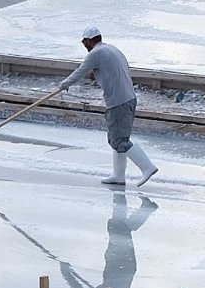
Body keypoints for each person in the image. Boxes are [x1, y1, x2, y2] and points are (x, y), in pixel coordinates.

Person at [59, 26, 158, 187]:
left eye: (84, 42)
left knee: (119, 140)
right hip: (129, 98)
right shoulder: (111, 49)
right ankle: (118, 175)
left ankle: (147, 167)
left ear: (90, 41)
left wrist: (63, 85)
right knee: (118, 139)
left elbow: (80, 71)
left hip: (118, 101)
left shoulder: (95, 54)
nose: (84, 45)